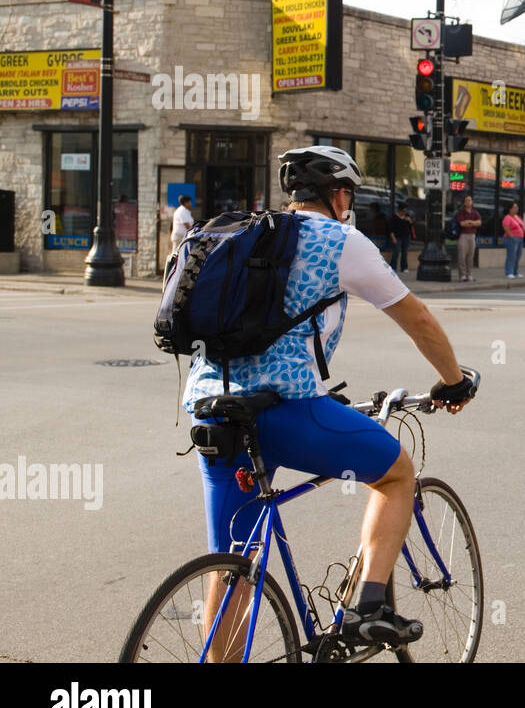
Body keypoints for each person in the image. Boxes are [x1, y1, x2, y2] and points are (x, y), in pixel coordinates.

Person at [187, 145, 475, 651]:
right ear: (339, 194)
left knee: (234, 562)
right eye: (350, 194)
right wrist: (453, 380)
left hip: (215, 411)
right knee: (396, 473)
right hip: (288, 411)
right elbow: (418, 319)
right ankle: (368, 607)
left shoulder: (242, 235)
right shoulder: (341, 240)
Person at [452, 196, 482, 282]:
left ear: (472, 202)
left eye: (469, 200)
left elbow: (479, 222)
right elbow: (462, 224)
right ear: (464, 203)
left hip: (472, 235)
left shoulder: (475, 213)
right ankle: (462, 275)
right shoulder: (461, 212)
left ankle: (469, 275)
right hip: (463, 235)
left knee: (470, 256)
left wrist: (469, 222)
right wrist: (473, 223)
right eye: (466, 201)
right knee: (462, 256)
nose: (468, 202)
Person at [502, 201, 525, 279]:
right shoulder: (507, 218)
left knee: (518, 256)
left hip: (520, 238)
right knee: (511, 256)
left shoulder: (517, 217)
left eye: (517, 207)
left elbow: (522, 226)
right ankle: (509, 272)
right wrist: (512, 237)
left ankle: (515, 272)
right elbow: (506, 228)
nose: (516, 209)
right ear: (510, 209)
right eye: (515, 207)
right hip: (511, 239)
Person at [388, 203, 414, 273]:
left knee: (404, 252)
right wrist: (393, 238)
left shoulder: (407, 216)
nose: (404, 212)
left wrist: (409, 220)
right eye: (403, 211)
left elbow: (411, 226)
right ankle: (393, 267)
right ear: (399, 210)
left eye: (406, 211)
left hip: (406, 237)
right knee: (396, 252)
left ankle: (404, 267)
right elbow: (391, 229)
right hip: (397, 237)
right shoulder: (394, 218)